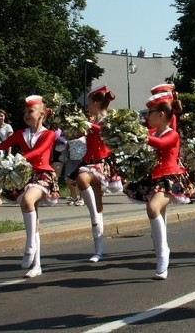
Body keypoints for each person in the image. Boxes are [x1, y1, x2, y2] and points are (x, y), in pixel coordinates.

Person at [124, 90, 195, 279]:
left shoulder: (171, 134)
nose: (147, 117)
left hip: (170, 178)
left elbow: (161, 144)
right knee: (158, 214)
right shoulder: (152, 132)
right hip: (154, 178)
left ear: (161, 115)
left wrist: (139, 136)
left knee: (153, 207)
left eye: (150, 113)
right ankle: (159, 248)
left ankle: (163, 252)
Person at [0, 95, 60, 278]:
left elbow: (39, 151)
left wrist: (17, 159)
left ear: (42, 114)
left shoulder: (49, 134)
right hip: (26, 175)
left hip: (43, 174)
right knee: (31, 212)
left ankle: (29, 245)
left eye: (30, 112)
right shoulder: (21, 134)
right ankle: (37, 265)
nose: (26, 115)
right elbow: (1, 146)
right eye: (25, 113)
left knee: (28, 199)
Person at [69, 85, 124, 262]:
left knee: (82, 179)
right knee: (98, 206)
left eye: (89, 103)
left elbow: (108, 132)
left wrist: (89, 125)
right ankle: (98, 249)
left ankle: (94, 216)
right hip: (88, 161)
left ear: (96, 103)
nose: (87, 107)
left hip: (102, 163)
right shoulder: (90, 121)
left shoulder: (108, 120)